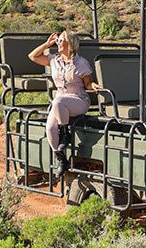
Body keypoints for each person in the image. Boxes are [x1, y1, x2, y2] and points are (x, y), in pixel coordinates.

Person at [28, 30, 96, 176]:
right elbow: (32, 56)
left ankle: (65, 134)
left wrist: (94, 86)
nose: (58, 42)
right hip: (61, 102)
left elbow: (88, 83)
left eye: (61, 40)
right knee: (50, 129)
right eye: (57, 40)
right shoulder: (53, 60)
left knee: (58, 101)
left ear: (70, 43)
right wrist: (48, 43)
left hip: (78, 100)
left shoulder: (81, 62)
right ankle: (61, 159)